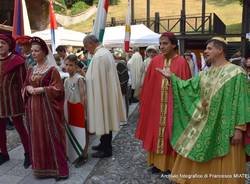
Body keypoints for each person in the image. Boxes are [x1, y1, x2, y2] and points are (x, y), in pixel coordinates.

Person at [156, 37, 250, 184]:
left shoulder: (237, 73)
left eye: (209, 48)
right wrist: (172, 79)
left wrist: (239, 128)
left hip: (226, 128)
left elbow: (242, 101)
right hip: (203, 125)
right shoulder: (204, 73)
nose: (205, 51)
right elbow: (189, 88)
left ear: (220, 50)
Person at [135, 32, 191, 174]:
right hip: (156, 106)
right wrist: (146, 106)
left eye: (165, 43)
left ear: (173, 45)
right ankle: (156, 163)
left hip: (174, 107)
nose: (162, 46)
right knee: (155, 132)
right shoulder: (155, 61)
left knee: (171, 134)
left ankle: (171, 166)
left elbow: (186, 86)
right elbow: (148, 85)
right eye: (160, 43)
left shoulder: (181, 62)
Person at [22, 37, 68, 179]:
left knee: (51, 136)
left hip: (48, 111)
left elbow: (59, 90)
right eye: (32, 51)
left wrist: (43, 89)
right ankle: (40, 168)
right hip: (33, 110)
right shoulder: (31, 69)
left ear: (44, 52)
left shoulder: (52, 70)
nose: (34, 54)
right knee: (37, 137)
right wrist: (27, 88)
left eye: (37, 51)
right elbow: (24, 85)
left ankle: (59, 170)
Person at [83, 35, 126, 158]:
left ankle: (106, 149)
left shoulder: (99, 56)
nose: (87, 50)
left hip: (102, 92)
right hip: (106, 90)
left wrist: (84, 76)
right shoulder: (105, 52)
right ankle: (103, 144)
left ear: (91, 43)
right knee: (107, 118)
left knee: (105, 118)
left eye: (87, 47)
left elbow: (94, 79)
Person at [0, 34, 30, 168]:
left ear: (9, 45)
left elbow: (24, 81)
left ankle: (28, 153)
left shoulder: (18, 60)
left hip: (13, 100)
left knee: (20, 127)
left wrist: (25, 100)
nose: (0, 45)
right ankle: (4, 154)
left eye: (3, 43)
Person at [64, 54, 88, 168]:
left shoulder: (79, 79)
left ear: (75, 65)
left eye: (71, 65)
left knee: (82, 132)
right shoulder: (67, 80)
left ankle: (84, 154)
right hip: (71, 108)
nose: (68, 67)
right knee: (73, 131)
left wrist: (85, 112)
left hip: (79, 108)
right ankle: (74, 153)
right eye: (67, 65)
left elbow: (83, 96)